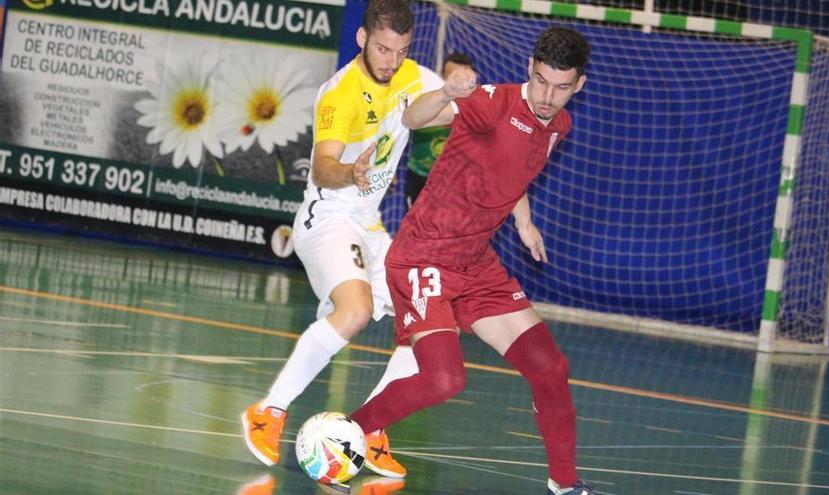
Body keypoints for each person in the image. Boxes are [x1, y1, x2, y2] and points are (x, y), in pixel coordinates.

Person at [347, 27, 596, 495]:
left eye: (561, 87)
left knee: (550, 368)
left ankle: (565, 484)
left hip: (475, 264)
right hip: (424, 255)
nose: (547, 96)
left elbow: (512, 170)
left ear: (578, 86)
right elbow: (415, 119)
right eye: (541, 81)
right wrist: (444, 91)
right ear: (529, 68)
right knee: (444, 379)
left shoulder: (558, 127)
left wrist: (523, 221)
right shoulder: (493, 102)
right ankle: (349, 431)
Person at [241, 0, 443, 479]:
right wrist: (351, 171)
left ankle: (372, 430)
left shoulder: (414, 77)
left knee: (426, 320)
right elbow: (322, 167)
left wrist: (475, 96)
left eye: (400, 50)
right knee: (354, 311)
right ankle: (268, 410)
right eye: (382, 48)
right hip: (326, 219)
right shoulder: (341, 93)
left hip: (369, 225)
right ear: (362, 39)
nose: (391, 61)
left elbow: (455, 110)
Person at [404, 52, 476, 209]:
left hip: (454, 183)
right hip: (420, 177)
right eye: (453, 77)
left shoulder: (476, 112)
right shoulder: (423, 104)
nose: (458, 83)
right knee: (414, 230)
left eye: (463, 78)